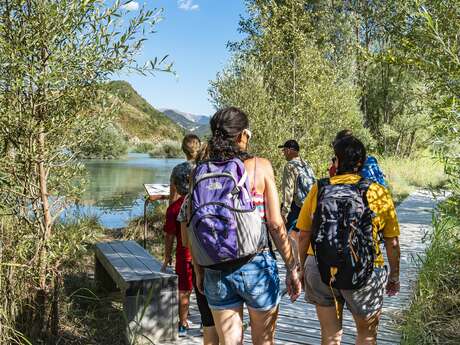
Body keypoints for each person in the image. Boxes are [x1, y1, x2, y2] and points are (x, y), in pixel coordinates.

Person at [189, 107, 301, 345]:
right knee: (263, 341)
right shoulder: (261, 166)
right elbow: (274, 223)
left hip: (215, 268)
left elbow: (193, 225)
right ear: (242, 135)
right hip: (256, 265)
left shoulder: (200, 171)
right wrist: (292, 266)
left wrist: (199, 271)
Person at [298, 135, 401, 345]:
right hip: (365, 269)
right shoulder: (377, 191)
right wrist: (394, 276)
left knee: (330, 333)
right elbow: (392, 241)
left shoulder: (319, 188)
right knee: (367, 334)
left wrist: (301, 268)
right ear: (361, 163)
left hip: (320, 266)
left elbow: (303, 234)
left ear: (335, 161)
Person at [177, 142, 220, 345]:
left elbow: (186, 241)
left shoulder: (190, 198)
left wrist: (197, 270)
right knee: (229, 324)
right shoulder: (232, 189)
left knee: (209, 323)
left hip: (203, 264)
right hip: (232, 264)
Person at [162, 164, 194, 337]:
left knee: (184, 291)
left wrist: (167, 257)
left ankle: (182, 323)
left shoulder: (174, 209)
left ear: (175, 184)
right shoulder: (201, 200)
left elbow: (169, 237)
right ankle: (209, 321)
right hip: (204, 256)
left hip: (185, 255)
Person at [278, 140, 315, 238]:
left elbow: (288, 190)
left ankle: (290, 253)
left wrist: (284, 212)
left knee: (288, 236)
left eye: (284, 150)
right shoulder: (306, 165)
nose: (284, 153)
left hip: (296, 206)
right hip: (308, 205)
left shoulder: (290, 166)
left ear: (290, 150)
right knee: (303, 236)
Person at [169, 134, 201, 205]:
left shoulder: (177, 169)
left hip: (185, 209)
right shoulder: (207, 167)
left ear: (184, 150)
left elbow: (173, 198)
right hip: (204, 209)